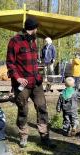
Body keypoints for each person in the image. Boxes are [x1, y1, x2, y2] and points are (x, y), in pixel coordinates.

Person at [6, 17, 55, 148]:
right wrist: (17, 78)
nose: (37, 30)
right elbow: (10, 63)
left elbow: (32, 62)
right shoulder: (14, 41)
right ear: (33, 28)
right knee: (23, 109)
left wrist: (40, 74)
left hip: (36, 81)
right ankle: (23, 136)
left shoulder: (33, 40)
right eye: (36, 28)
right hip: (22, 83)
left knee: (42, 107)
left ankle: (44, 137)